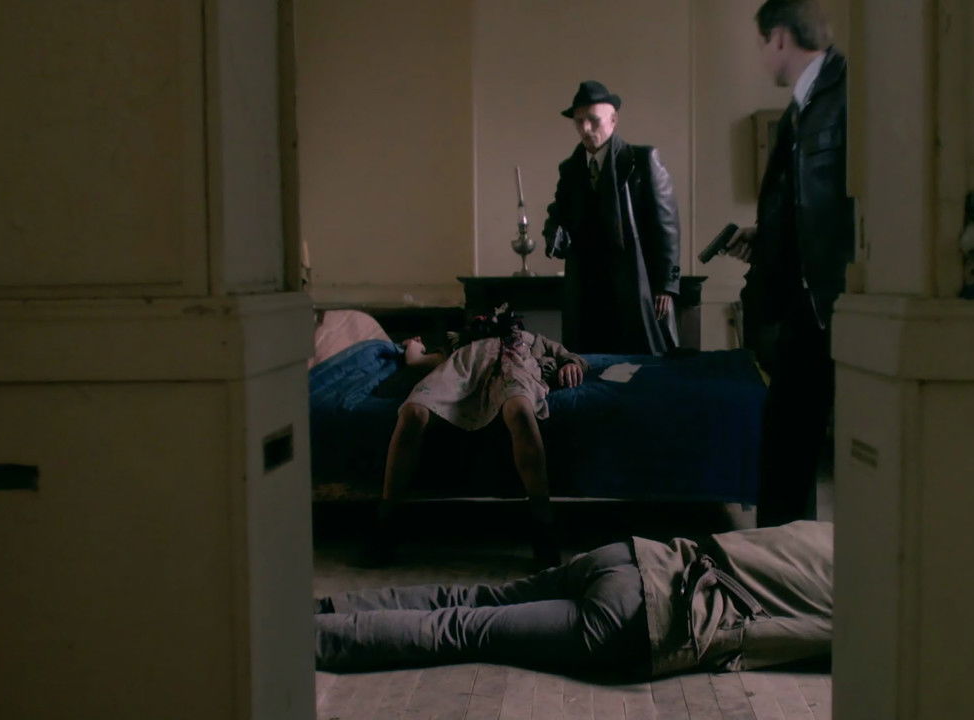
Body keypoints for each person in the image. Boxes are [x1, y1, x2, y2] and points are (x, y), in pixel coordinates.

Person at [316, 520, 833, 677]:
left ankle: (322, 611)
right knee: (460, 629)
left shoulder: (832, 532)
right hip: (643, 617)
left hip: (633, 555)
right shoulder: (864, 614)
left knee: (470, 595)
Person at [723, 0, 852, 526]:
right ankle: (779, 557)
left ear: (778, 37)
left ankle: (784, 557)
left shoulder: (847, 96)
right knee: (784, 456)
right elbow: (809, 206)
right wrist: (769, 238)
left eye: (761, 44)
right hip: (802, 307)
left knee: (807, 454)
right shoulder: (804, 106)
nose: (761, 57)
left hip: (833, 305)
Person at [370, 306, 587, 568]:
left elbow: (571, 356)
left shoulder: (533, 340)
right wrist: (413, 346)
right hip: (461, 372)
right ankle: (386, 522)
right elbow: (417, 361)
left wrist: (571, 365)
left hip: (513, 369)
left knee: (520, 411)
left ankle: (543, 524)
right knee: (412, 412)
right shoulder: (459, 342)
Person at [542, 80, 683, 355]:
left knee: (640, 360)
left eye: (593, 120)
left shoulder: (642, 160)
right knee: (588, 358)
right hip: (586, 284)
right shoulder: (570, 169)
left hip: (634, 282)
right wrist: (553, 232)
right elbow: (559, 212)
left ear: (613, 120)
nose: (585, 128)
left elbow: (666, 226)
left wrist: (666, 286)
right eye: (579, 121)